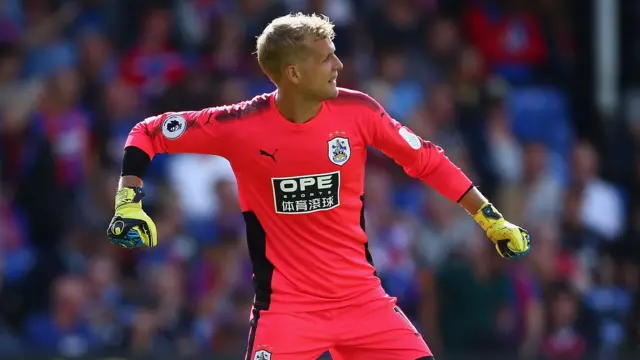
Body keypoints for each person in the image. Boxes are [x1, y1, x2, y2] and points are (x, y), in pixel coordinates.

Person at [107, 13, 531, 360]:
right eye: (327, 58)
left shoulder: (359, 111)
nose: (339, 66)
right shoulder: (239, 126)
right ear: (293, 72)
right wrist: (129, 201)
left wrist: (490, 219)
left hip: (363, 302)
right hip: (288, 312)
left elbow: (428, 159)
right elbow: (148, 131)